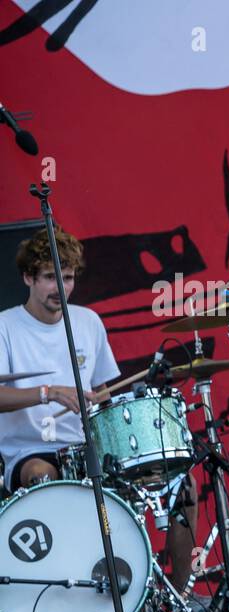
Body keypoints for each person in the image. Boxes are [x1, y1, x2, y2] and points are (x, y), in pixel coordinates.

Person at [0, 227, 198, 591]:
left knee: (182, 484)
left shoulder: (87, 322)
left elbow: (104, 392)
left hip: (88, 447)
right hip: (31, 451)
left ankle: (181, 594)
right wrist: (48, 393)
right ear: (28, 277)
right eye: (49, 278)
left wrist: (105, 408)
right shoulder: (6, 326)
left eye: (68, 278)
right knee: (45, 478)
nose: (60, 288)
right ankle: (61, 595)